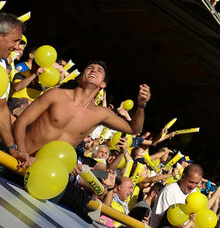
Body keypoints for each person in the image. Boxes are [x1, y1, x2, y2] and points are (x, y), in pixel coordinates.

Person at [11, 60, 150, 166]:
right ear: (79, 78)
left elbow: (134, 129)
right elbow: (22, 121)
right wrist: (22, 152)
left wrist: (141, 106)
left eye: (99, 70)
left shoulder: (101, 113)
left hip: (50, 171)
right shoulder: (56, 94)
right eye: (89, 68)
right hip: (20, 161)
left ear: (103, 84)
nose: (94, 70)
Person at [0, 13, 27, 163]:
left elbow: (1, 108)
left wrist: (12, 149)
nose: (17, 47)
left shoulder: (3, 65)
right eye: (15, 41)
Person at [151, 162, 203, 228]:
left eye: (196, 183)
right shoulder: (168, 192)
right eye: (191, 182)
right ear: (183, 177)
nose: (193, 186)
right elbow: (166, 222)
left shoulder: (195, 193)